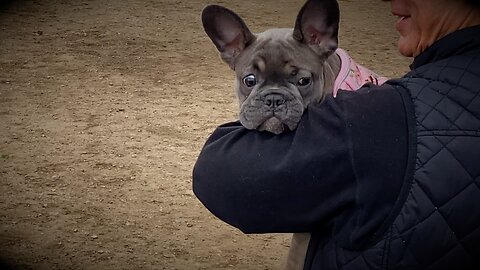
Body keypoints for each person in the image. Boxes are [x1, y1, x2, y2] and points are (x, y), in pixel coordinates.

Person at [193, 0, 480, 269]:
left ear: (322, 40)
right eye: (251, 81)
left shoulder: (367, 117)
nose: (273, 100)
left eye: (302, 81)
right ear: (230, 50)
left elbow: (219, 176)